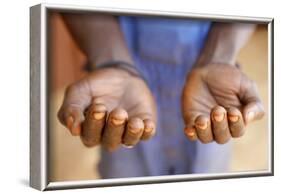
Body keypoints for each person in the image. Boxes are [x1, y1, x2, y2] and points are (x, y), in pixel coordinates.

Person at [57, 13, 265, 178]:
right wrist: (112, 60)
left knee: (209, 173)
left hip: (212, 88)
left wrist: (218, 57)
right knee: (125, 174)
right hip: (119, 82)